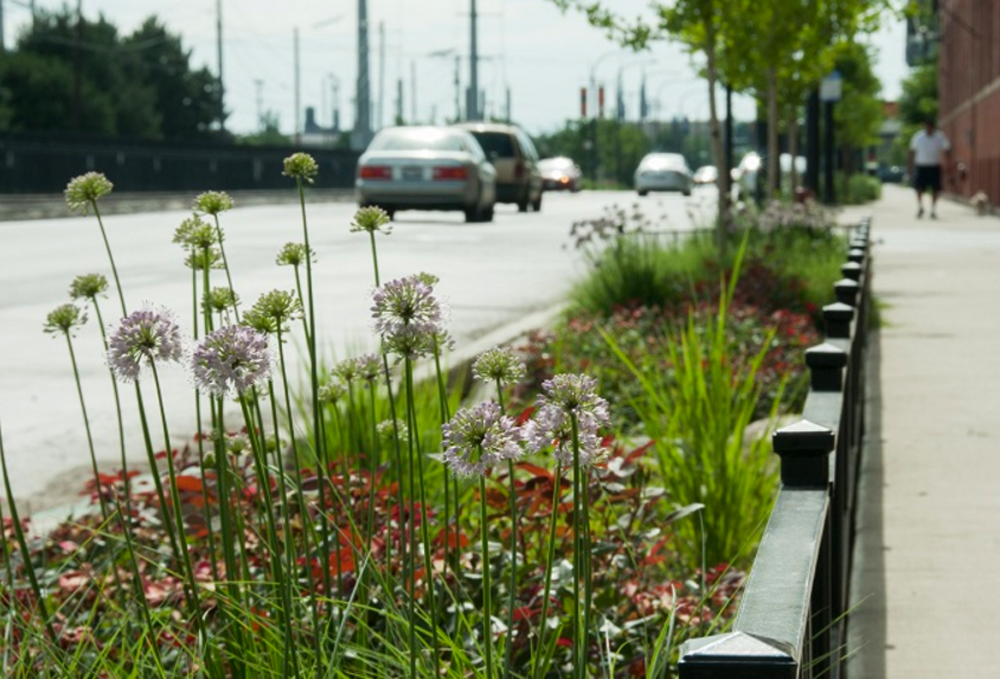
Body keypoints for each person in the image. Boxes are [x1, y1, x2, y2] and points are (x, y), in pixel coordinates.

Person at [908, 119, 952, 219]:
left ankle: (933, 209)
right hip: (921, 166)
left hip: (934, 166)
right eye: (926, 126)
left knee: (935, 189)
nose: (928, 129)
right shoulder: (918, 137)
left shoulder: (939, 137)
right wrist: (910, 167)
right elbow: (911, 151)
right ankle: (920, 207)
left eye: (930, 127)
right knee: (918, 187)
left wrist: (948, 165)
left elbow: (947, 150)